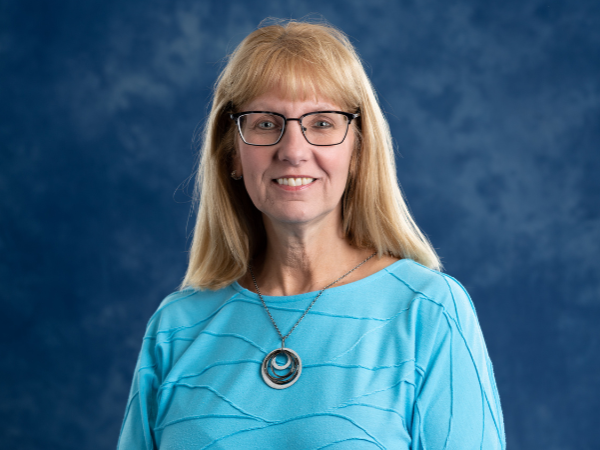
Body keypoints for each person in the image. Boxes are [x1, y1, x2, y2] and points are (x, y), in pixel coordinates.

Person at [118, 20, 505, 449]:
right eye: (266, 123)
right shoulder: (176, 325)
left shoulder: (428, 312)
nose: (293, 150)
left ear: (358, 151)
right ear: (231, 153)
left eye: (322, 123)